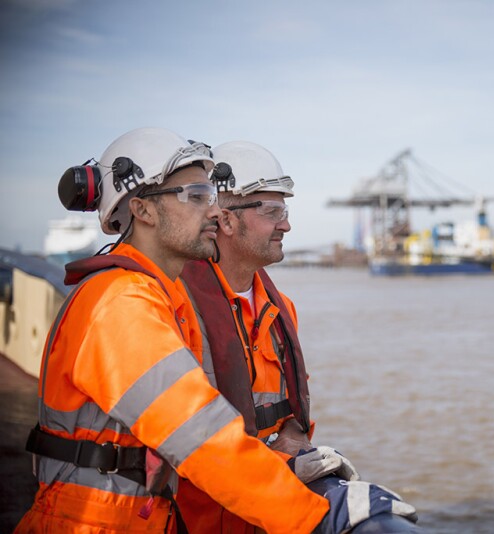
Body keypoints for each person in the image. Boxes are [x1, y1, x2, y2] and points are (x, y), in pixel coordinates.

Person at [15, 128, 336, 533]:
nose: (214, 212)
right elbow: (200, 437)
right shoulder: (119, 303)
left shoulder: (163, 301)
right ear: (143, 211)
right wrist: (318, 516)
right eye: (197, 197)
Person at [177, 141, 418, 533]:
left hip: (264, 512)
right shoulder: (176, 306)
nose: (286, 225)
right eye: (272, 212)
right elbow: (184, 438)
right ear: (224, 218)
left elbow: (288, 417)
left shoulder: (281, 309)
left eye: (284, 211)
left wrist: (296, 448)